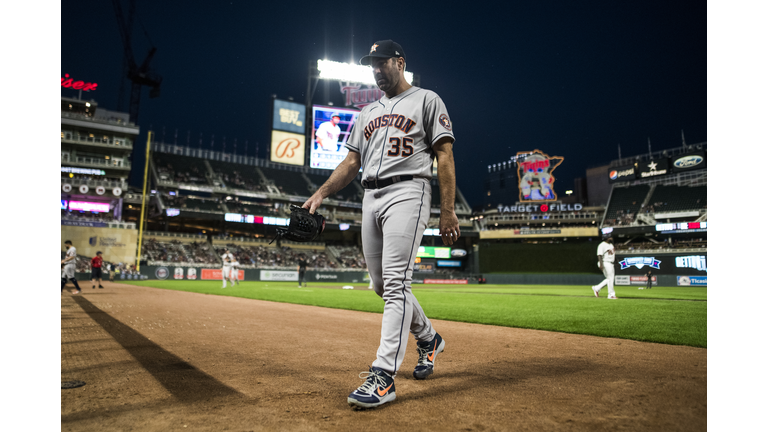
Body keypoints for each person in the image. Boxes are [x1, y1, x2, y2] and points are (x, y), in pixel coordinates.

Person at [303, 39, 459, 409]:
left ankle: (383, 376)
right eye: (371, 64)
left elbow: (445, 154)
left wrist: (448, 209)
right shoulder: (367, 112)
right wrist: (322, 192)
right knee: (380, 284)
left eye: (381, 62)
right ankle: (429, 338)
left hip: (410, 191)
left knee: (395, 284)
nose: (375, 69)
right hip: (369, 197)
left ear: (400, 62)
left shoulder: (427, 99)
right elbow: (351, 163)